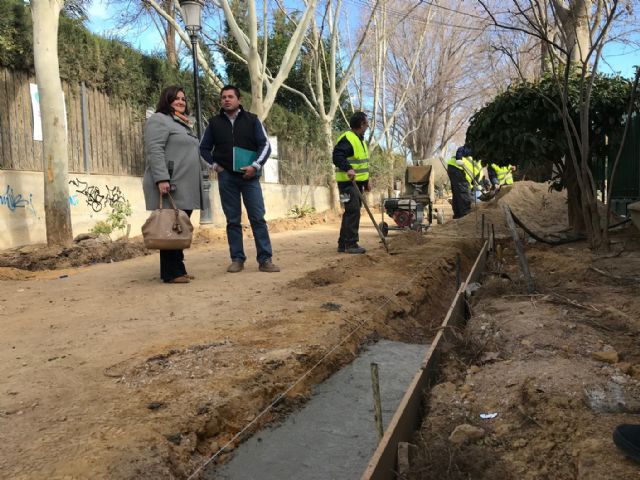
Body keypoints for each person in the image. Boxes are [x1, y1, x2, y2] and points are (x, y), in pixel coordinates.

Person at [199, 85, 279, 273]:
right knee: (232, 220)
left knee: (257, 218)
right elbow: (203, 148)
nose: (226, 100)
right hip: (226, 177)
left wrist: (255, 166)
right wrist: (215, 166)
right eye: (223, 97)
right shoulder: (214, 123)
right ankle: (237, 259)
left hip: (249, 177)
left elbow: (265, 145)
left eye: (230, 97)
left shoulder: (252, 120)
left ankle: (265, 260)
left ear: (239, 100)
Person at [143, 86, 203, 284]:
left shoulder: (182, 123)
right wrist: (161, 178)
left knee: (177, 226)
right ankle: (172, 272)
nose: (181, 101)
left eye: (183, 99)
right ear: (166, 100)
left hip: (185, 184)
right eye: (176, 98)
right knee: (170, 225)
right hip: (171, 183)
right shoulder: (159, 119)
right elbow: (155, 149)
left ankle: (177, 269)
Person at [333, 112, 370, 254]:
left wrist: (366, 182)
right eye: (366, 123)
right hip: (347, 185)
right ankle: (351, 244)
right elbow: (337, 156)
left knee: (350, 211)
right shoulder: (348, 138)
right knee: (353, 211)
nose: (367, 126)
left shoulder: (360, 140)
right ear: (361, 124)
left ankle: (343, 244)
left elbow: (361, 165)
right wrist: (348, 168)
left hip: (356, 184)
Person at [446, 145, 473, 219]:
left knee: (457, 193)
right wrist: (459, 158)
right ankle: (465, 217)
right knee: (463, 193)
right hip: (458, 168)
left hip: (454, 168)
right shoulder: (478, 149)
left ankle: (458, 216)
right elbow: (462, 149)